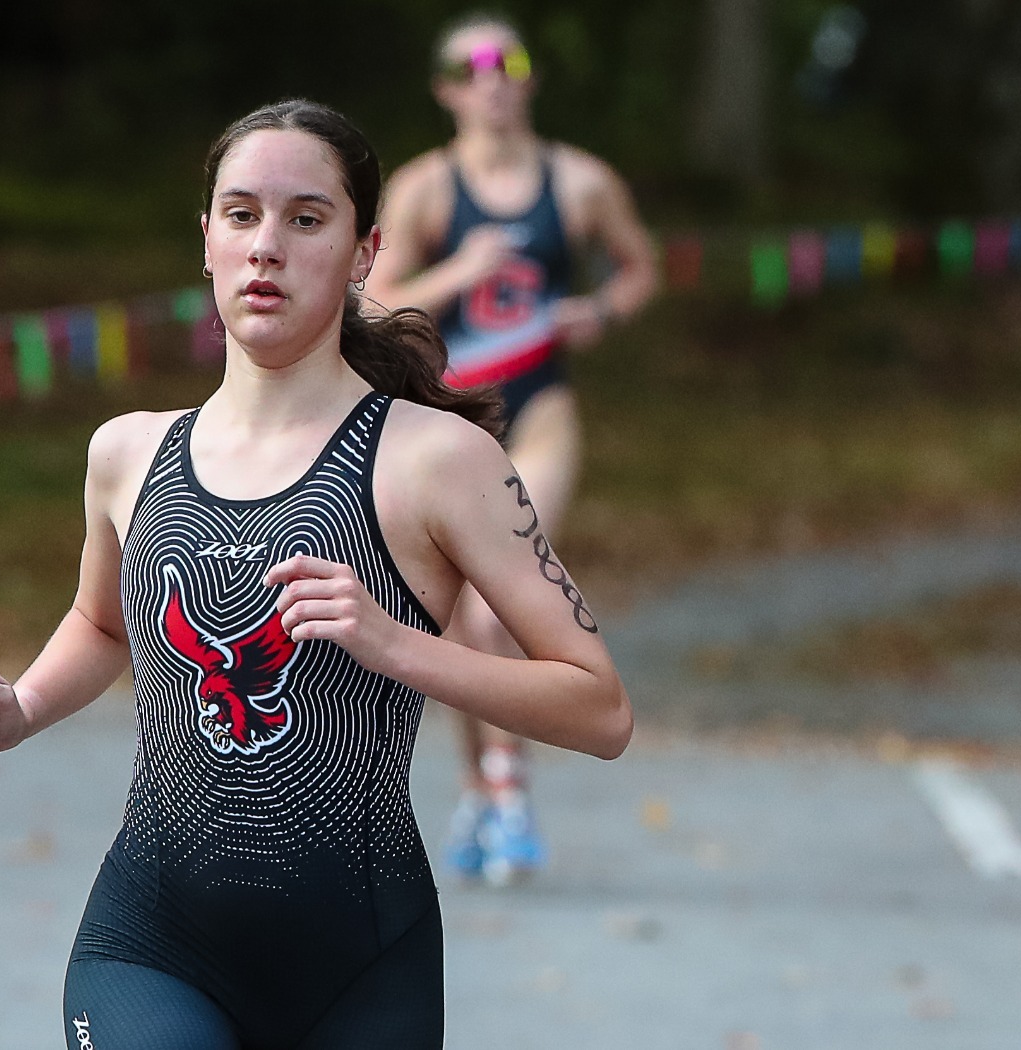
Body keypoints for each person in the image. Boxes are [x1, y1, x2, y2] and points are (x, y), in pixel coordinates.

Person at [0, 98, 630, 1050]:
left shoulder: (437, 461)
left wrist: (393, 643)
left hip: (362, 967)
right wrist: (19, 710)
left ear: (366, 251)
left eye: (306, 219)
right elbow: (102, 627)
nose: (267, 247)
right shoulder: (128, 453)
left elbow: (600, 709)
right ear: (206, 239)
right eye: (242, 214)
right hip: (151, 946)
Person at [370, 12, 659, 886]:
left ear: (530, 79)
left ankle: (507, 790)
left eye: (511, 59)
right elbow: (374, 306)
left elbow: (640, 266)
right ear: (447, 88)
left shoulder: (578, 182)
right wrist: (462, 272)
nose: (494, 76)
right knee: (458, 622)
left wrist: (600, 310)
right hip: (453, 428)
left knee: (497, 609)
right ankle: (481, 786)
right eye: (474, 63)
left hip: (540, 415)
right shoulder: (426, 189)